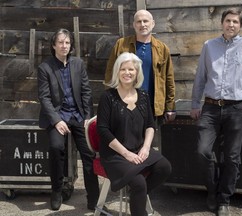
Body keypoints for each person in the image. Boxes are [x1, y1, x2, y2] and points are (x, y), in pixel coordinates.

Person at [190, 8, 242, 216]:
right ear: (222, 23)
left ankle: (224, 199)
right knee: (202, 151)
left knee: (232, 157)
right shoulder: (209, 46)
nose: (231, 24)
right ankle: (212, 191)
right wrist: (195, 104)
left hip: (236, 109)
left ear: (240, 25)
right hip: (210, 108)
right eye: (228, 20)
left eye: (235, 21)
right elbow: (200, 76)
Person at [97, 52, 172, 216]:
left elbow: (151, 125)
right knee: (138, 183)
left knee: (164, 167)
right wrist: (127, 154)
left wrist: (146, 147)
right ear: (117, 71)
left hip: (139, 148)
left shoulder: (144, 96)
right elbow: (103, 130)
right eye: (123, 69)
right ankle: (139, 202)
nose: (127, 73)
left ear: (137, 72)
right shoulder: (107, 97)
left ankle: (136, 197)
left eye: (131, 69)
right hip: (116, 154)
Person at [37, 28, 100, 211]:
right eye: (60, 42)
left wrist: (87, 119)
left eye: (67, 42)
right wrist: (56, 120)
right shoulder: (45, 68)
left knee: (89, 153)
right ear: (53, 45)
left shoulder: (78, 64)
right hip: (57, 117)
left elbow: (87, 93)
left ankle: (94, 197)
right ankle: (57, 190)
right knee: (56, 148)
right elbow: (44, 98)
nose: (64, 46)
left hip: (79, 116)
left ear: (70, 45)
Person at [104, 9, 176, 150]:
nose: (142, 24)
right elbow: (110, 73)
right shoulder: (121, 45)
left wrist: (170, 106)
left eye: (146, 21)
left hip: (151, 106)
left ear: (153, 23)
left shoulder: (162, 49)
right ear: (133, 25)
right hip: (124, 105)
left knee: (148, 146)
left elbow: (169, 78)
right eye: (139, 21)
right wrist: (111, 101)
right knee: (125, 144)